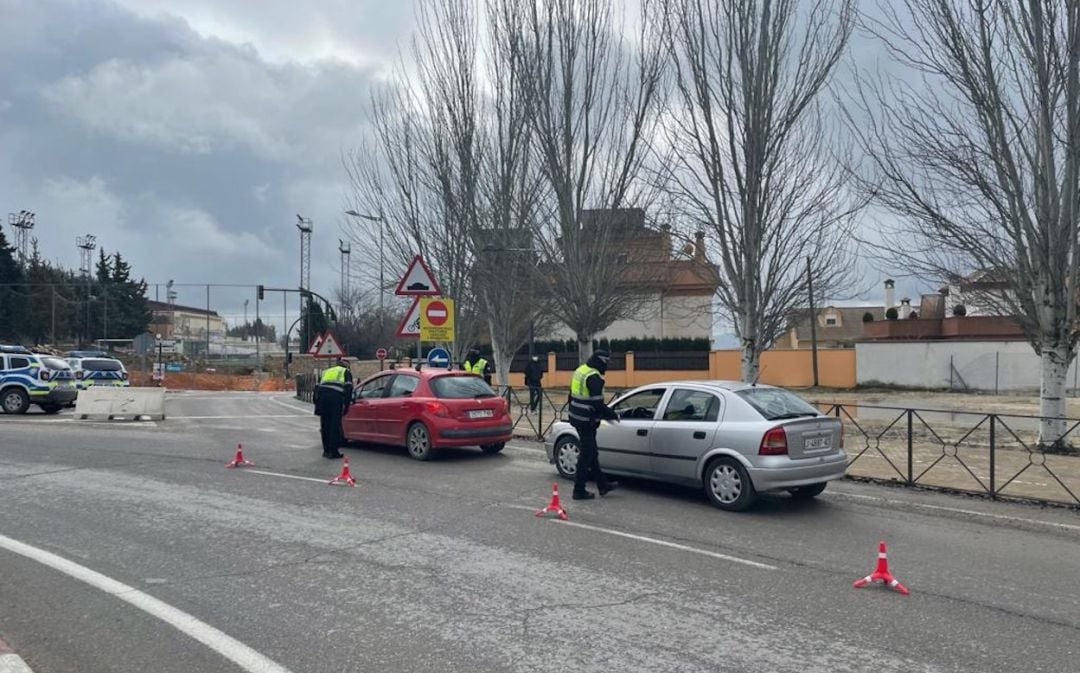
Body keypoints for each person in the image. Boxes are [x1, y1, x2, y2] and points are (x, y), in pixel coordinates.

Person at [567, 349, 619, 500]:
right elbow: (598, 404)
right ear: (601, 361)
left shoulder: (581, 370)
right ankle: (579, 490)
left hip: (577, 417)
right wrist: (613, 414)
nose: (607, 367)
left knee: (591, 452)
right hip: (586, 421)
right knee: (586, 455)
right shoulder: (594, 377)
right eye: (607, 363)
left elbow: (571, 395)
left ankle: (603, 485)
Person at [313, 357, 353, 459]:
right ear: (347, 366)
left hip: (322, 399)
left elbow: (316, 389)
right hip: (335, 399)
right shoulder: (346, 372)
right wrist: (347, 406)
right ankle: (333, 452)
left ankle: (326, 451)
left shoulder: (326, 372)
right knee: (334, 425)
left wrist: (317, 405)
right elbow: (348, 389)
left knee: (325, 426)